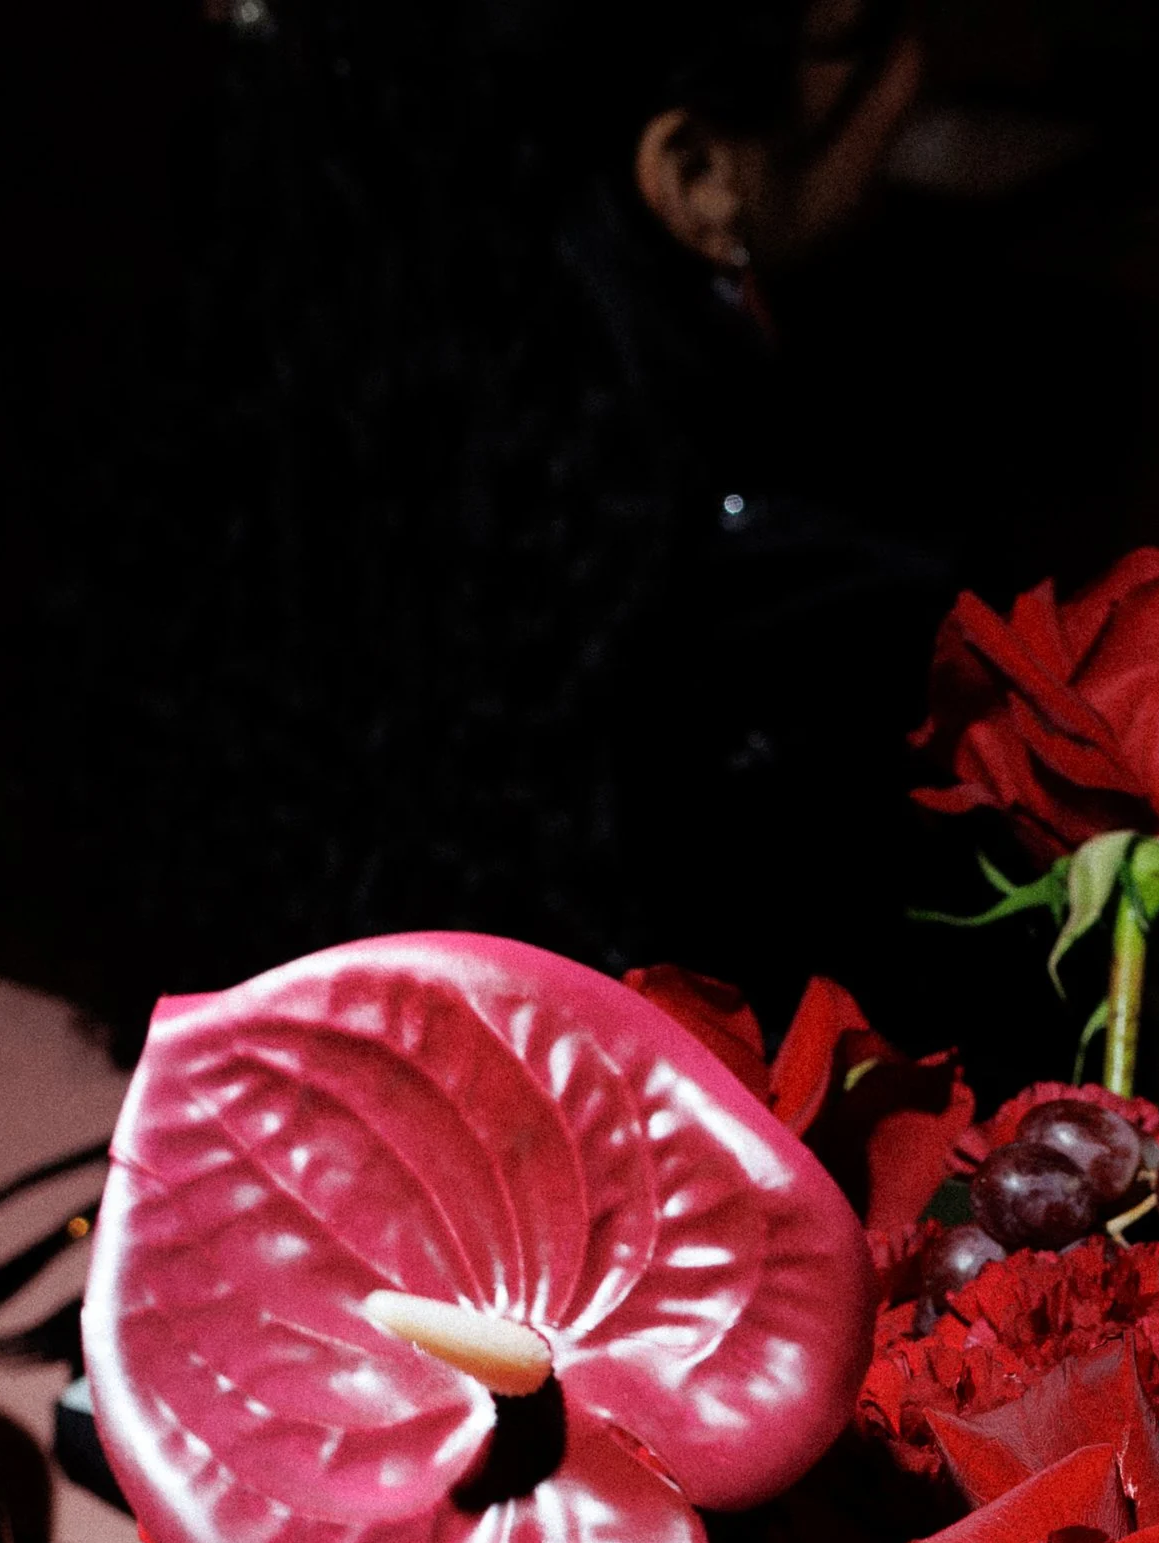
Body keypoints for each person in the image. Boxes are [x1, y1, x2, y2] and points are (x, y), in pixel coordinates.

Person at [72, 0, 941, 1043]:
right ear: (694, 172)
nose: (918, 72)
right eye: (868, 31)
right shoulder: (796, 606)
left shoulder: (254, 441)